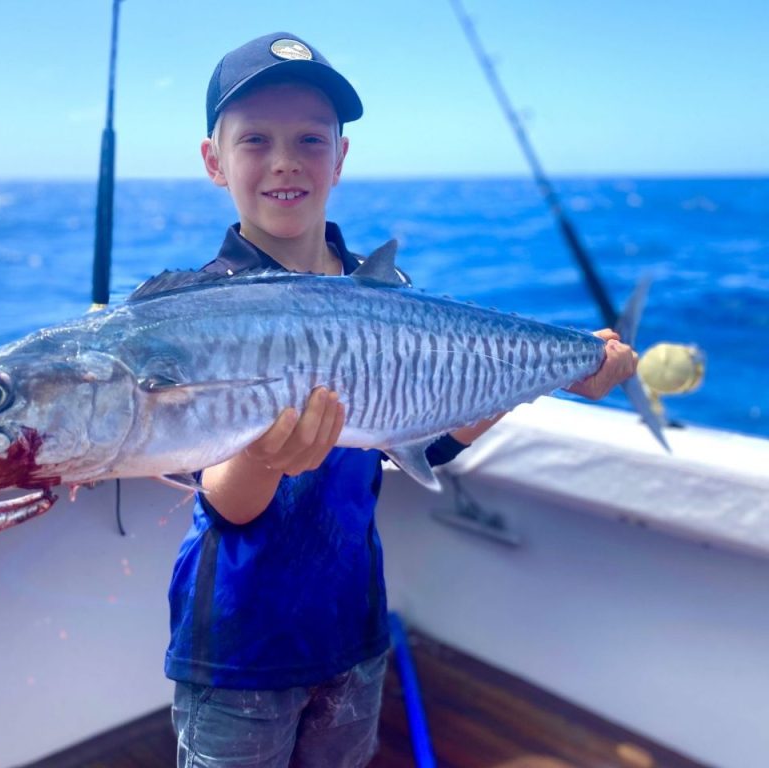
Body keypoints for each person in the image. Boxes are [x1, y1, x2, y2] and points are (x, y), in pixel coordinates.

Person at [165, 32, 637, 768]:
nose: (285, 159)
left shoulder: (391, 295)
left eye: (310, 139)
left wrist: (548, 372)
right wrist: (264, 458)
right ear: (213, 161)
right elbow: (227, 503)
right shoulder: (190, 309)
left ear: (340, 158)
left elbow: (428, 440)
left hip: (353, 631)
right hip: (235, 644)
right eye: (256, 138)